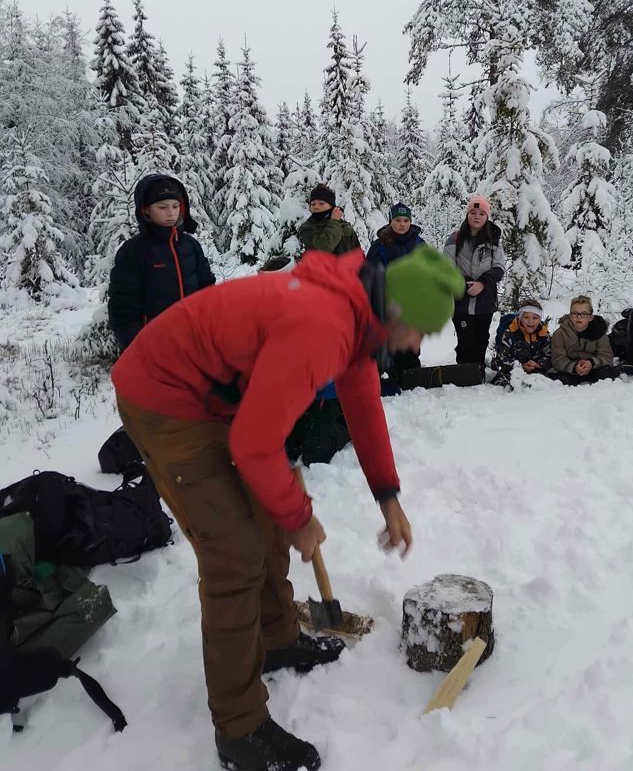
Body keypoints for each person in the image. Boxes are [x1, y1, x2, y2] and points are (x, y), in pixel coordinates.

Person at [111, 246, 464, 771]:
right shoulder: (322, 326)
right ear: (395, 313)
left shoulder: (357, 312)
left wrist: (387, 495)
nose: (417, 345)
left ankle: (275, 638)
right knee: (234, 555)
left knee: (266, 515)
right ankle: (240, 727)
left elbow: (363, 402)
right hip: (166, 398)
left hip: (218, 396)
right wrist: (301, 518)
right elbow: (255, 444)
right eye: (418, 332)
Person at [108, 173, 215, 351]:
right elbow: (123, 307)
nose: (171, 213)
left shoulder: (190, 245)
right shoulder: (133, 251)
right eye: (162, 207)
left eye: (175, 206)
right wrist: (137, 346)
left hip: (195, 339)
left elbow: (208, 290)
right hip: (155, 343)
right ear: (146, 210)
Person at [444, 196, 506, 367]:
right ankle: (463, 374)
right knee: (465, 341)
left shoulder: (494, 241)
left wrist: (483, 283)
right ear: (467, 215)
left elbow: (499, 268)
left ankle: (478, 372)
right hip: (461, 301)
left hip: (485, 300)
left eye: (481, 213)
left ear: (487, 217)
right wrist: (463, 283)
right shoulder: (455, 239)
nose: (476, 216)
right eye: (473, 212)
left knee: (481, 340)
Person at [367, 202, 426, 380]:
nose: (402, 224)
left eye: (406, 220)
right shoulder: (379, 246)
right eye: (398, 220)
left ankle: (411, 375)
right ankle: (393, 373)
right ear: (391, 221)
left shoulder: (419, 244)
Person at [550, 295, 624, 385]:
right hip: (570, 370)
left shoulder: (599, 332)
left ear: (590, 317)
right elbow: (558, 359)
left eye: (584, 314)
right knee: (558, 378)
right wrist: (574, 367)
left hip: (594, 368)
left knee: (608, 373)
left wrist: (591, 363)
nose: (579, 317)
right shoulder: (559, 334)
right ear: (570, 316)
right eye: (575, 313)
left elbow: (606, 356)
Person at [489, 298, 552, 388]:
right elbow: (501, 359)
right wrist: (521, 366)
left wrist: (538, 364)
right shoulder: (509, 332)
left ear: (539, 319)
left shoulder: (543, 334)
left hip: (535, 371)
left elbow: (549, 356)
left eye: (535, 318)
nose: (531, 321)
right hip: (510, 372)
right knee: (508, 386)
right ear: (520, 317)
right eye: (526, 317)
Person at [298, 183, 360, 255]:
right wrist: (334, 221)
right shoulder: (307, 228)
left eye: (321, 203)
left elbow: (359, 258)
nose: (316, 207)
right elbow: (324, 248)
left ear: (331, 206)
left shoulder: (346, 228)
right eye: (313, 204)